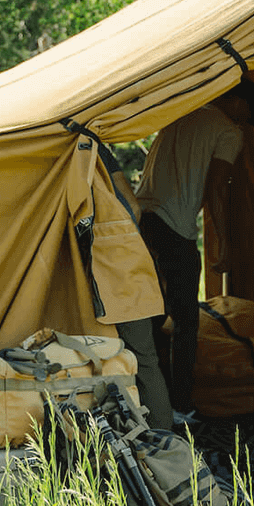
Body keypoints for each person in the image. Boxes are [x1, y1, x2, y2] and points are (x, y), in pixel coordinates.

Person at [135, 78, 254, 415]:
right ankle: (178, 406)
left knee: (147, 314)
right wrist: (224, 243)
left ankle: (140, 396)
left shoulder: (182, 114)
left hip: (141, 218)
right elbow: (217, 188)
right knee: (185, 321)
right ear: (237, 103)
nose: (243, 124)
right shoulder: (228, 132)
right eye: (246, 115)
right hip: (175, 226)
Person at [92, 140, 173, 430]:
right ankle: (164, 442)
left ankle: (157, 439)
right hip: (125, 268)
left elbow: (132, 207)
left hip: (108, 270)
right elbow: (133, 207)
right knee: (143, 360)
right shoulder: (90, 144)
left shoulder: (78, 143)